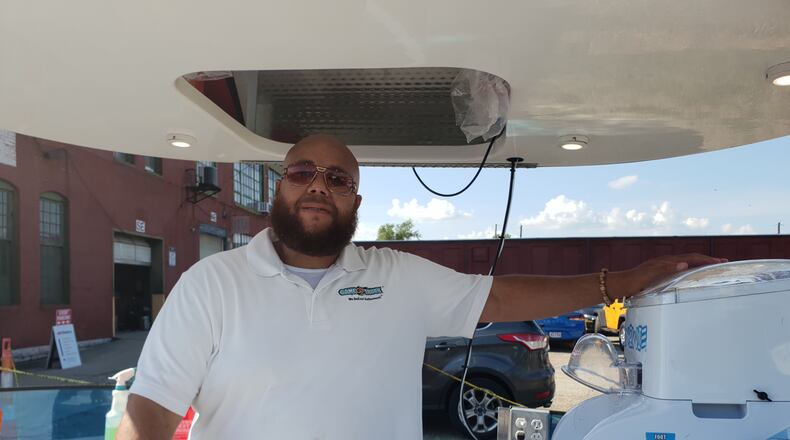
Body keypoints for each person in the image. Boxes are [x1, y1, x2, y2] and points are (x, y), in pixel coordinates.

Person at [117, 134, 724, 439]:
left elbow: (503, 297)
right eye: (303, 172)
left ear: (357, 199)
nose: (318, 185)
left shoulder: (395, 276)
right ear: (279, 188)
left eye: (337, 177)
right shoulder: (210, 284)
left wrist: (622, 280)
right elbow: (148, 411)